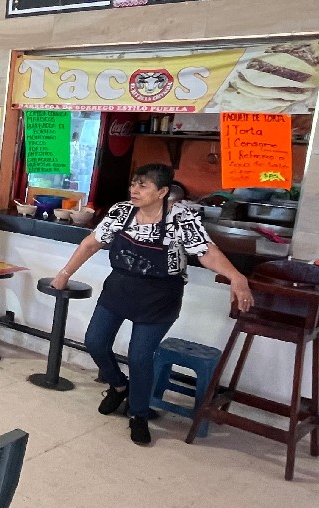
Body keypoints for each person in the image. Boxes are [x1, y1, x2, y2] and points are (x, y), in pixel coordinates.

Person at [52, 163, 254, 446]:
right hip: (120, 288)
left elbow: (206, 251)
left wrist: (235, 276)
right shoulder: (121, 212)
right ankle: (119, 386)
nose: (135, 190)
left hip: (159, 296)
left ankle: (139, 414)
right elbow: (91, 243)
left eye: (143, 185)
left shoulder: (181, 218)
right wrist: (64, 273)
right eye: (134, 184)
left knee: (139, 356)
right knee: (95, 341)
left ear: (162, 192)